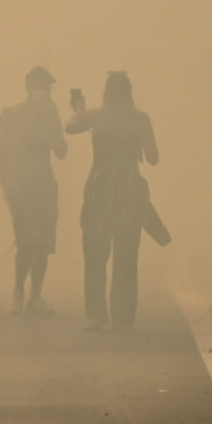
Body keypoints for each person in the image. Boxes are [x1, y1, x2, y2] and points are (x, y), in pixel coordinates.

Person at [66, 71, 159, 332]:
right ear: (129, 92)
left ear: (107, 92)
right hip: (129, 190)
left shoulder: (96, 115)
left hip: (99, 190)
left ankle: (95, 316)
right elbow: (153, 158)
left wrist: (79, 109)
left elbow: (69, 127)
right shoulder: (140, 119)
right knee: (126, 256)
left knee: (95, 254)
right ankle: (122, 320)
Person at [0, 65, 67, 315]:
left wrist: (51, 137)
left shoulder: (51, 115)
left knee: (43, 242)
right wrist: (22, 136)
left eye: (46, 87)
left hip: (44, 186)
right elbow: (1, 152)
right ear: (28, 89)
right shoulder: (10, 116)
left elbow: (62, 151)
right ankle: (18, 291)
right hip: (20, 187)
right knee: (25, 240)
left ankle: (35, 296)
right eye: (39, 87)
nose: (43, 92)